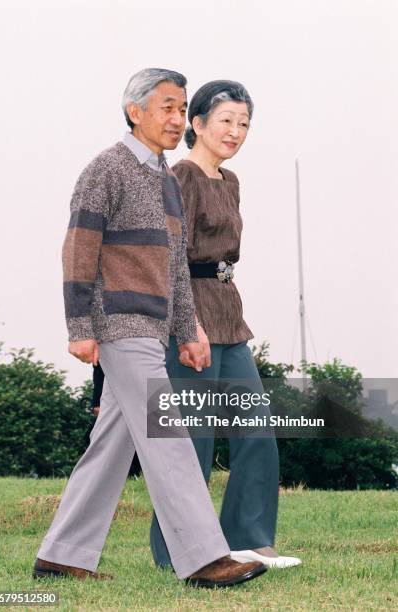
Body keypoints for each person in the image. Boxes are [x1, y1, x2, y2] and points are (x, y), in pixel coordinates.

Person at [32, 68, 267, 588]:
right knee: (170, 437)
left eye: (180, 108)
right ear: (134, 111)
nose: (176, 118)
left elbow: (176, 268)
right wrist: (78, 325)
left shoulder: (164, 178)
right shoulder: (106, 170)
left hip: (155, 325)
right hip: (118, 324)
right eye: (167, 107)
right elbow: (78, 250)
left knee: (112, 443)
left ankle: (62, 554)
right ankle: (205, 557)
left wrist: (189, 330)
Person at [150, 80, 301, 569]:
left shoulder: (230, 181)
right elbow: (170, 256)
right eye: (226, 121)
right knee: (191, 441)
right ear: (196, 124)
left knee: (257, 432)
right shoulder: (180, 178)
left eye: (244, 123)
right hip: (186, 319)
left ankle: (251, 541)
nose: (236, 132)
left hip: (229, 317)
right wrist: (186, 323)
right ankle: (182, 551)